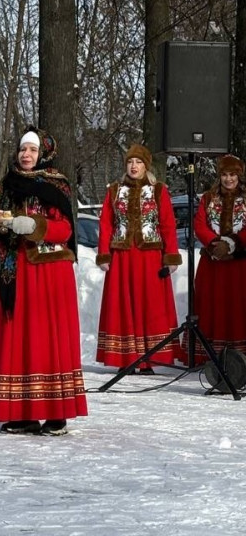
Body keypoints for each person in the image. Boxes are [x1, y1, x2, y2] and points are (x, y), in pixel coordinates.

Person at [0, 128, 87, 436]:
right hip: (14, 274)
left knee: (48, 341)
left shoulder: (56, 184)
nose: (26, 155)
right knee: (17, 342)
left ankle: (56, 413)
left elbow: (65, 229)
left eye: (32, 150)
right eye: (23, 149)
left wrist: (35, 225)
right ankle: (22, 413)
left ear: (43, 153)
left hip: (49, 274)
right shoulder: (5, 185)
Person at [95, 144, 181, 374]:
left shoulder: (158, 190)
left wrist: (171, 256)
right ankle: (126, 358)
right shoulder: (115, 191)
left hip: (150, 258)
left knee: (149, 305)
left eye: (138, 162)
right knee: (123, 306)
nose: (134, 166)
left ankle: (148, 359)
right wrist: (104, 254)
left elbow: (168, 224)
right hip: (122, 258)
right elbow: (106, 224)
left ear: (146, 166)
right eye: (130, 162)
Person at [185, 154, 246, 362]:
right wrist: (215, 245)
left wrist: (231, 244)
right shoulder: (208, 198)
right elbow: (199, 224)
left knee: (237, 305)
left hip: (239, 265)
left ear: (239, 176)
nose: (229, 179)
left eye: (232, 175)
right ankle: (210, 355)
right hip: (212, 264)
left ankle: (238, 356)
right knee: (212, 305)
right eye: (225, 175)